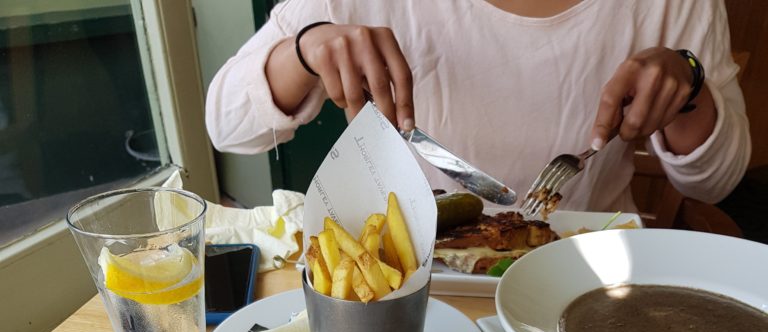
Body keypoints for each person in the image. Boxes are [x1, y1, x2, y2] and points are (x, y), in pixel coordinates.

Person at [205, 0, 751, 213]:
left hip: (585, 280)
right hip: (405, 284)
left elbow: (716, 183)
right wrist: (304, 49)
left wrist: (689, 87)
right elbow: (227, 126)